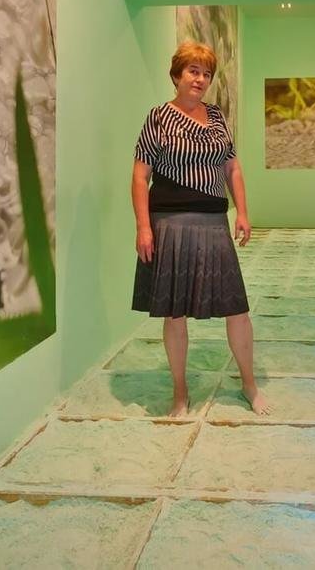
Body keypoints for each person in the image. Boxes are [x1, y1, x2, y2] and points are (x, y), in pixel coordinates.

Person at [132, 41, 270, 416]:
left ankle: (250, 385)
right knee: (174, 314)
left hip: (213, 223)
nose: (200, 79)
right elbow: (140, 176)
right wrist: (143, 227)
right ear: (177, 75)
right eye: (193, 71)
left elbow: (232, 167)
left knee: (237, 308)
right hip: (170, 225)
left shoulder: (217, 117)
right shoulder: (158, 117)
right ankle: (180, 392)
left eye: (206, 73)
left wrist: (243, 212)